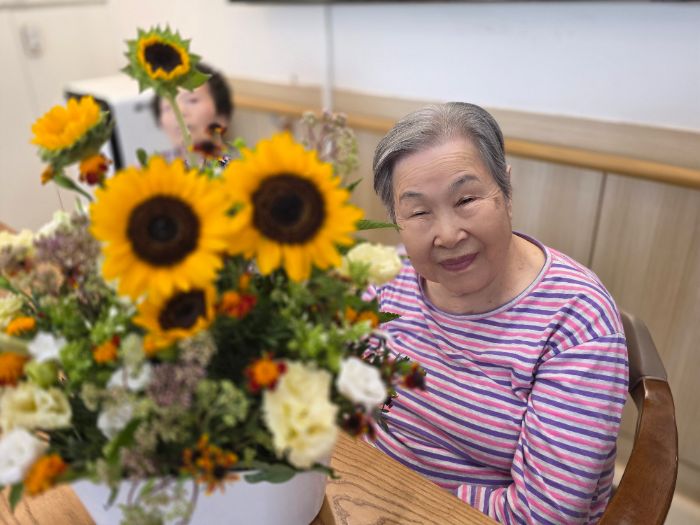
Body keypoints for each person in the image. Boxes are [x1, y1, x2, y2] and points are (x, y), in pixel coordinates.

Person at [368, 102, 628, 524]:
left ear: (506, 191)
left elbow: (543, 515)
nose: (448, 235)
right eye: (419, 212)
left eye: (466, 199)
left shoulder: (577, 320)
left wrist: (394, 502)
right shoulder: (389, 276)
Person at [151, 62, 233, 161]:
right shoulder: (151, 166)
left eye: (192, 100)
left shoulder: (234, 166)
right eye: (168, 106)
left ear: (222, 116)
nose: (179, 112)